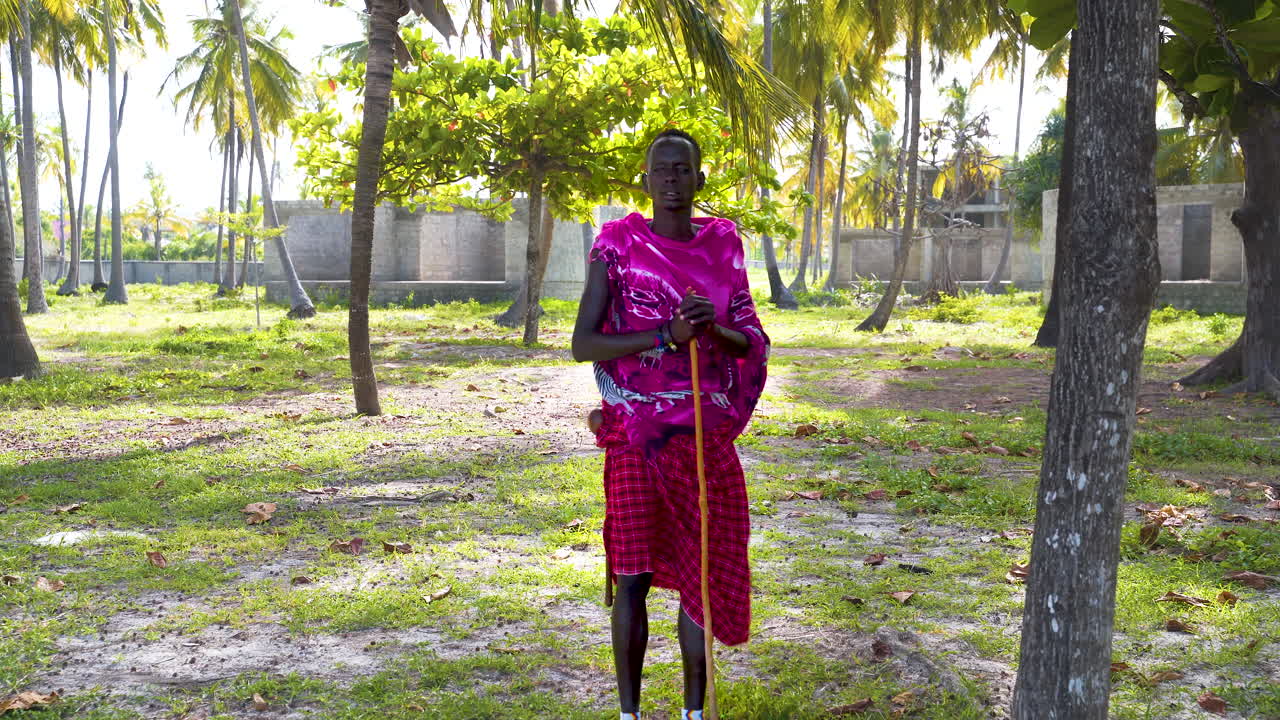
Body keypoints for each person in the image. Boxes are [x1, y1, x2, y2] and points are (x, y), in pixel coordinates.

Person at [572, 128, 770, 720]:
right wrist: (665, 335)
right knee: (631, 573)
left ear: (699, 179)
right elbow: (585, 343)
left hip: (703, 439)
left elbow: (751, 341)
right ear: (647, 179)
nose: (672, 180)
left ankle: (691, 711)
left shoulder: (724, 246)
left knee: (701, 572)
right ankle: (629, 713)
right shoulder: (616, 245)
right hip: (636, 437)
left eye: (683, 170)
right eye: (662, 169)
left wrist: (710, 329)